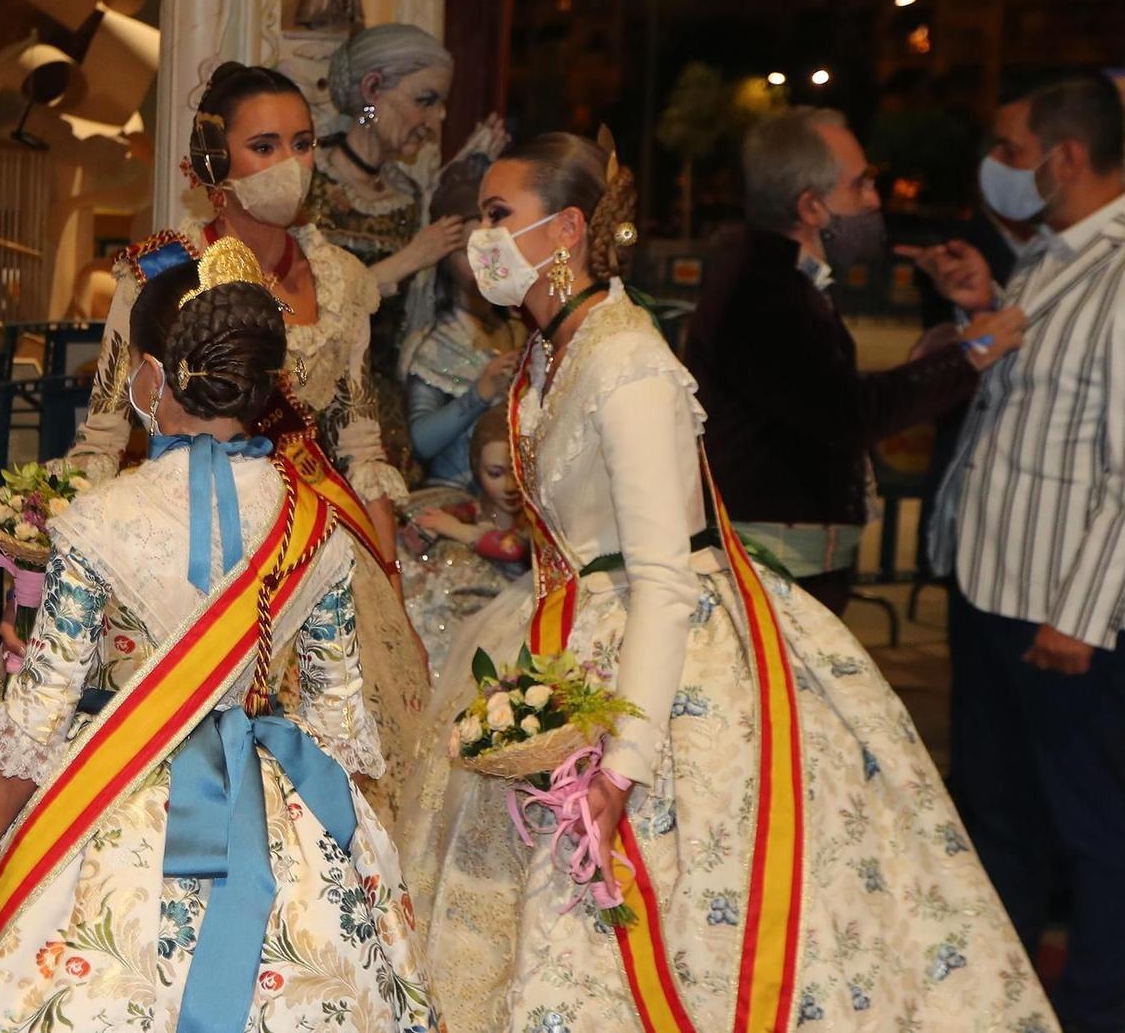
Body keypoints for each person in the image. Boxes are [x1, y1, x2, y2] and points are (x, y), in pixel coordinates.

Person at [399, 133, 1052, 1032]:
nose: (483, 239)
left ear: (568, 229)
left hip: (657, 654)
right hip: (560, 627)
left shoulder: (630, 363)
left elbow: (664, 576)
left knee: (670, 924)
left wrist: (622, 770)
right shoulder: (558, 350)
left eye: (499, 216)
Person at [0, 243, 441, 1033]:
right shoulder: (318, 523)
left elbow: (28, 736)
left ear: (150, 373)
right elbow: (340, 724)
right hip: (283, 815)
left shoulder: (98, 520)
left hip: (112, 806)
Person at [904, 68, 1125, 1033]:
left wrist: (1080, 616)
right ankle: (1005, 1005)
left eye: (1009, 149)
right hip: (992, 579)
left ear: (1065, 157)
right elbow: (1023, 409)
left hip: (1066, 604)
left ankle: (1091, 1014)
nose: (996, 168)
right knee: (999, 816)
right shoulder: (1050, 258)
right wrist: (973, 311)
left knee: (1087, 825)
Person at [64, 60, 428, 828]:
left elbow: (359, 435)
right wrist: (61, 559)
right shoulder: (159, 269)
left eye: (301, 143)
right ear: (211, 162)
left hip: (312, 541)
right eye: (264, 145)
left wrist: (388, 576)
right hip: (185, 531)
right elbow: (104, 428)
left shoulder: (341, 277)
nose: (289, 165)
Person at [684, 106, 1026, 615]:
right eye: (860, 186)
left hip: (787, 565)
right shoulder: (763, 290)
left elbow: (815, 394)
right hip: (775, 574)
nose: (874, 200)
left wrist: (953, 340)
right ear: (812, 208)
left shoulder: (778, 277)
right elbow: (846, 414)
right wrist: (970, 353)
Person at [309, 23, 508, 474]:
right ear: (372, 88)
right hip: (312, 403)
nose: (436, 121)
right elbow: (305, 301)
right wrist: (412, 257)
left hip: (383, 410)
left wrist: (461, 178)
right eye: (426, 100)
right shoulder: (310, 184)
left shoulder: (406, 195)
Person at [403, 153, 527, 490]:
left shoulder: (519, 331)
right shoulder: (434, 344)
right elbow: (420, 442)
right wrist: (478, 394)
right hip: (456, 498)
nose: (481, 263)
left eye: (490, 248)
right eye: (469, 251)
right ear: (445, 259)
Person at [398, 408, 529, 675]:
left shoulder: (533, 520)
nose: (508, 486)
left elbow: (514, 548)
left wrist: (457, 530)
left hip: (515, 611)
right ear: (475, 466)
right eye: (495, 473)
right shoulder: (470, 510)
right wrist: (431, 527)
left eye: (517, 472)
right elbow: (419, 534)